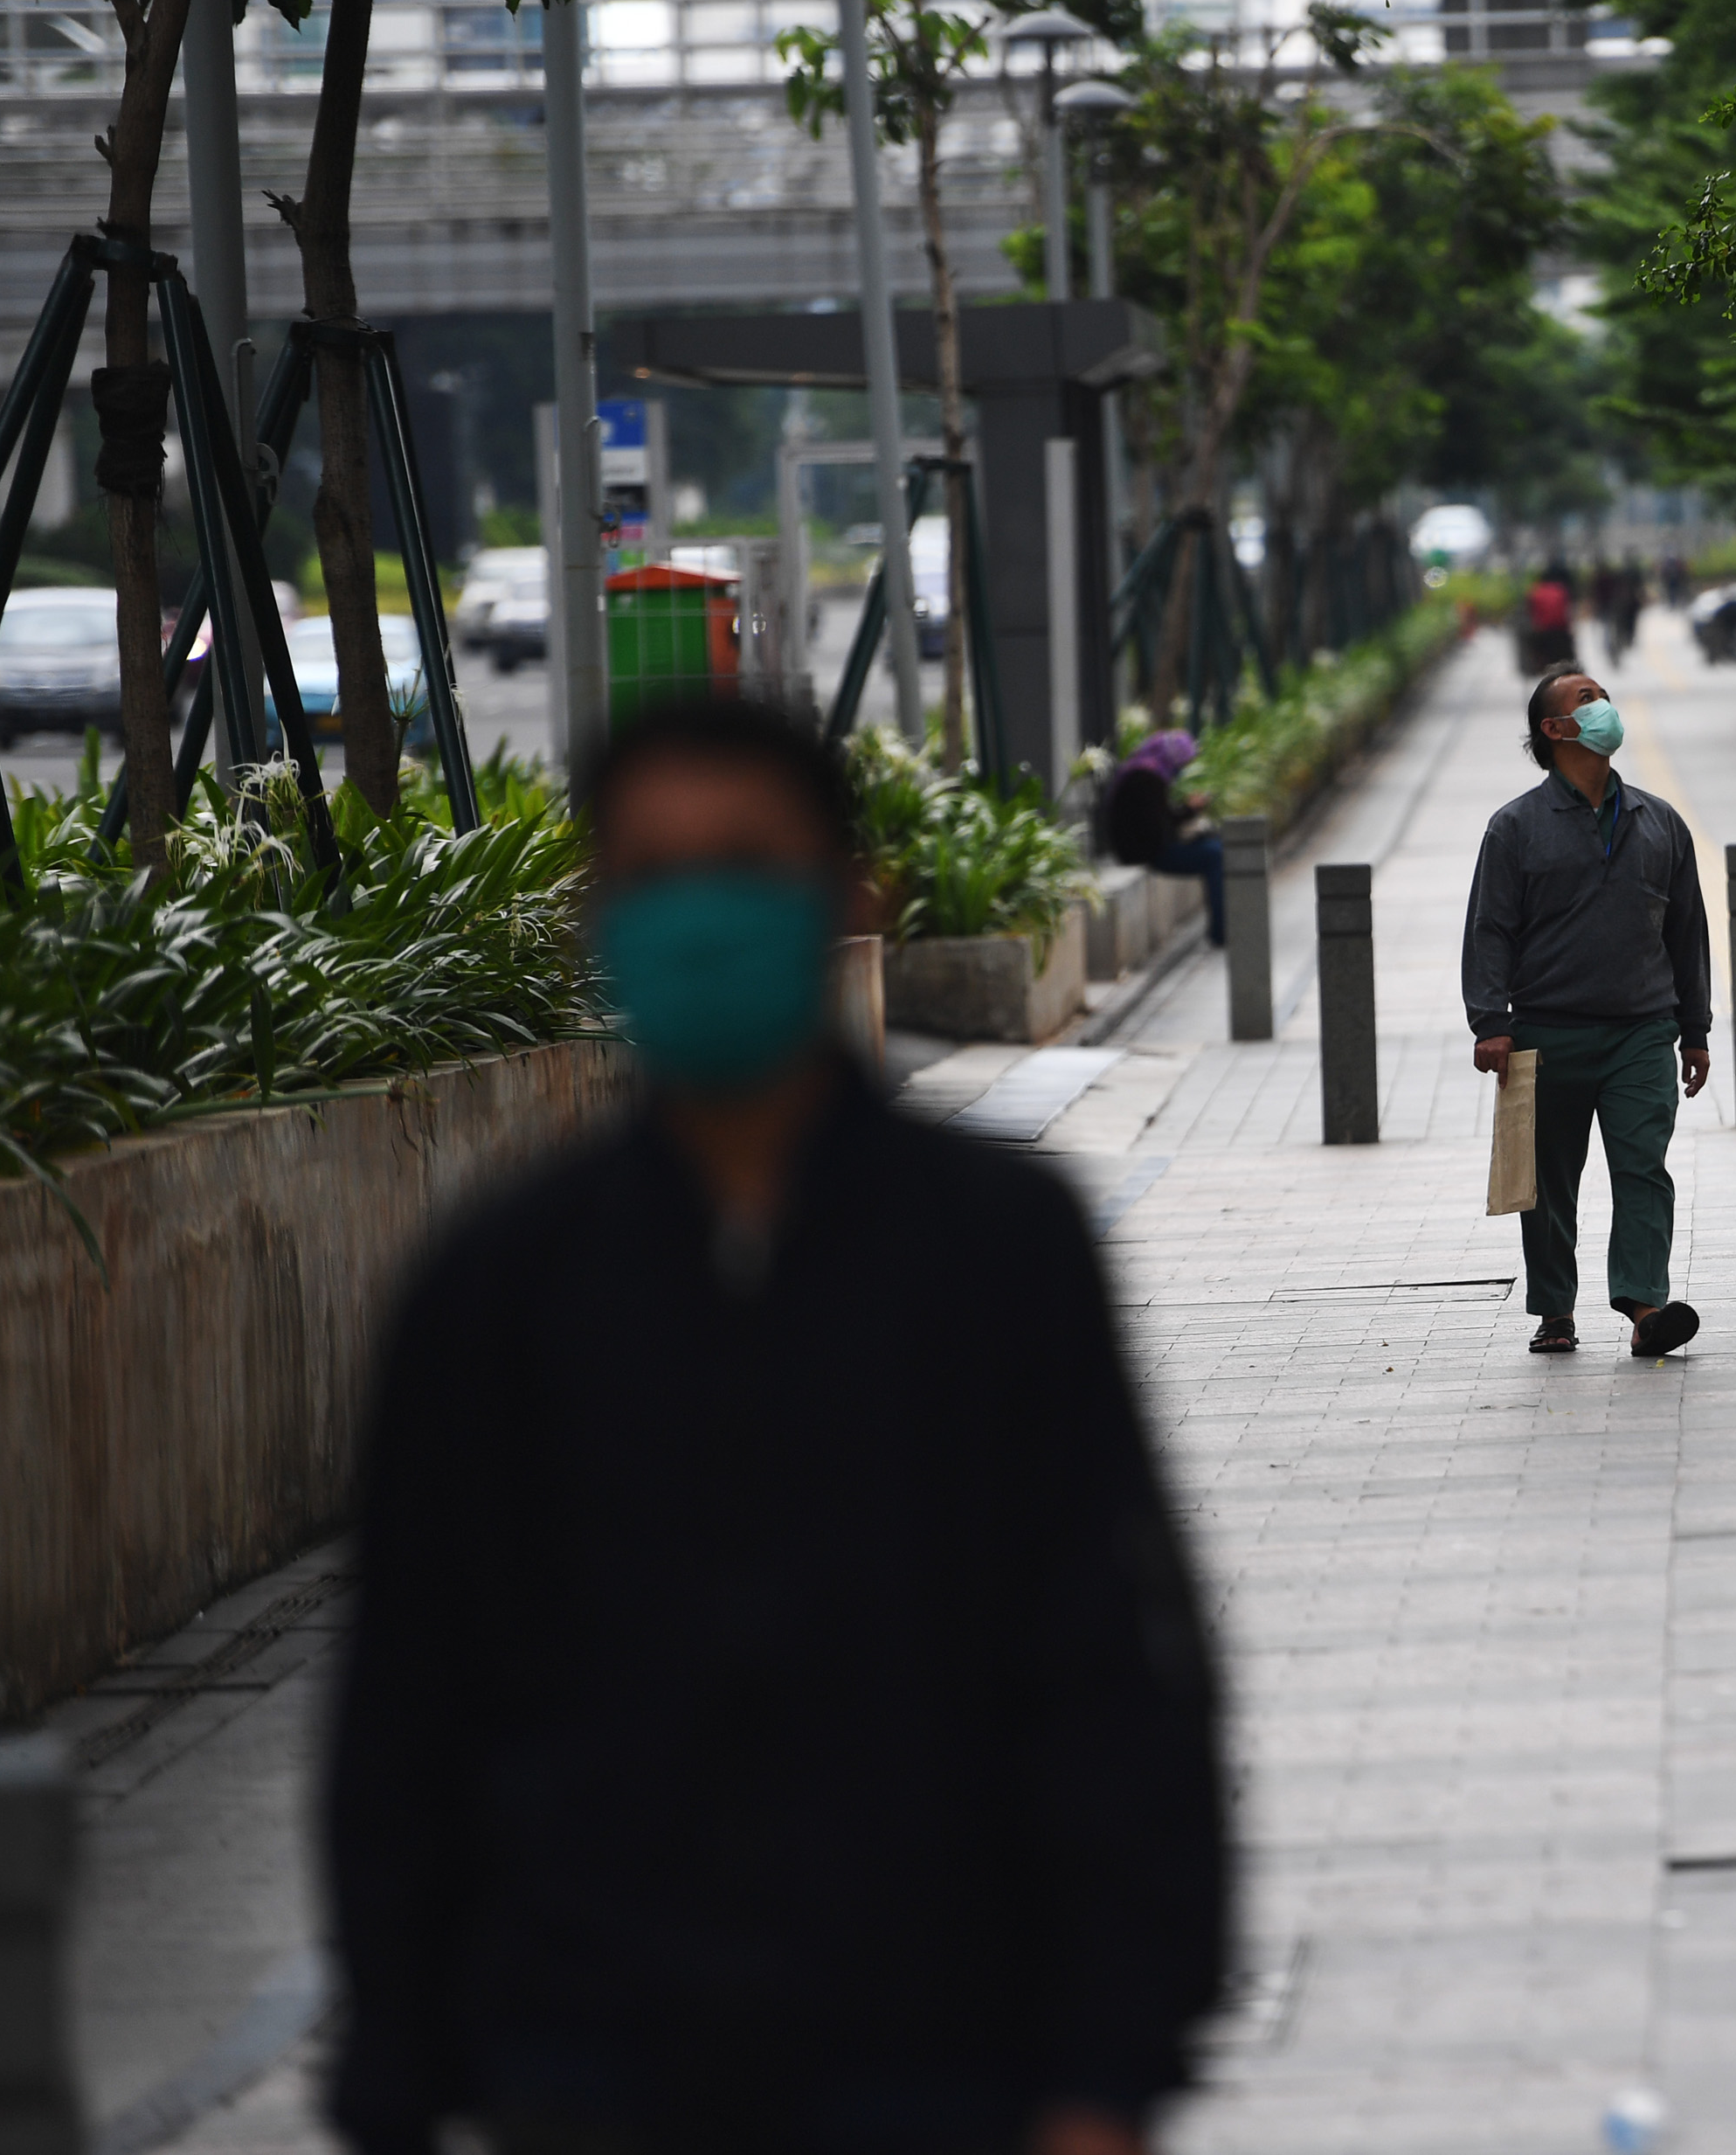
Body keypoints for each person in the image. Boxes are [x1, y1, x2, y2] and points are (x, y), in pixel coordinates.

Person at [329, 697, 1226, 2155]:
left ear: (846, 898)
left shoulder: (999, 1249)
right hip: (596, 2063)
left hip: (939, 2055)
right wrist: (399, 2072)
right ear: (601, 918)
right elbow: (409, 1709)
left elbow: (1114, 1658)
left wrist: (1110, 2064)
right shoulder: (502, 1285)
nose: (704, 914)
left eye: (747, 864)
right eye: (659, 875)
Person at [1463, 668, 1712, 1358]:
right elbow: (1490, 929)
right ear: (1554, 729)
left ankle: (1646, 1307)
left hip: (1642, 1032)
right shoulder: (1514, 828)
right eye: (1585, 699)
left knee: (1643, 1170)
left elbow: (1687, 931)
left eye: (1601, 694)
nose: (1602, 706)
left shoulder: (1659, 821)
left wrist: (1695, 1030)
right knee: (1546, 1186)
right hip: (1545, 1032)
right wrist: (1491, 1021)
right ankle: (1553, 1309)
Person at [1102, 727, 1226, 946]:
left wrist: (1188, 812)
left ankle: (1221, 928)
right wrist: (1189, 813)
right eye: (1181, 764)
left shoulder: (1145, 771)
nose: (1180, 770)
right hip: (1145, 852)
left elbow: (1159, 820)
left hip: (1143, 847)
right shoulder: (1148, 778)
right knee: (1215, 855)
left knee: (1213, 847)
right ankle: (1220, 932)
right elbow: (1160, 827)